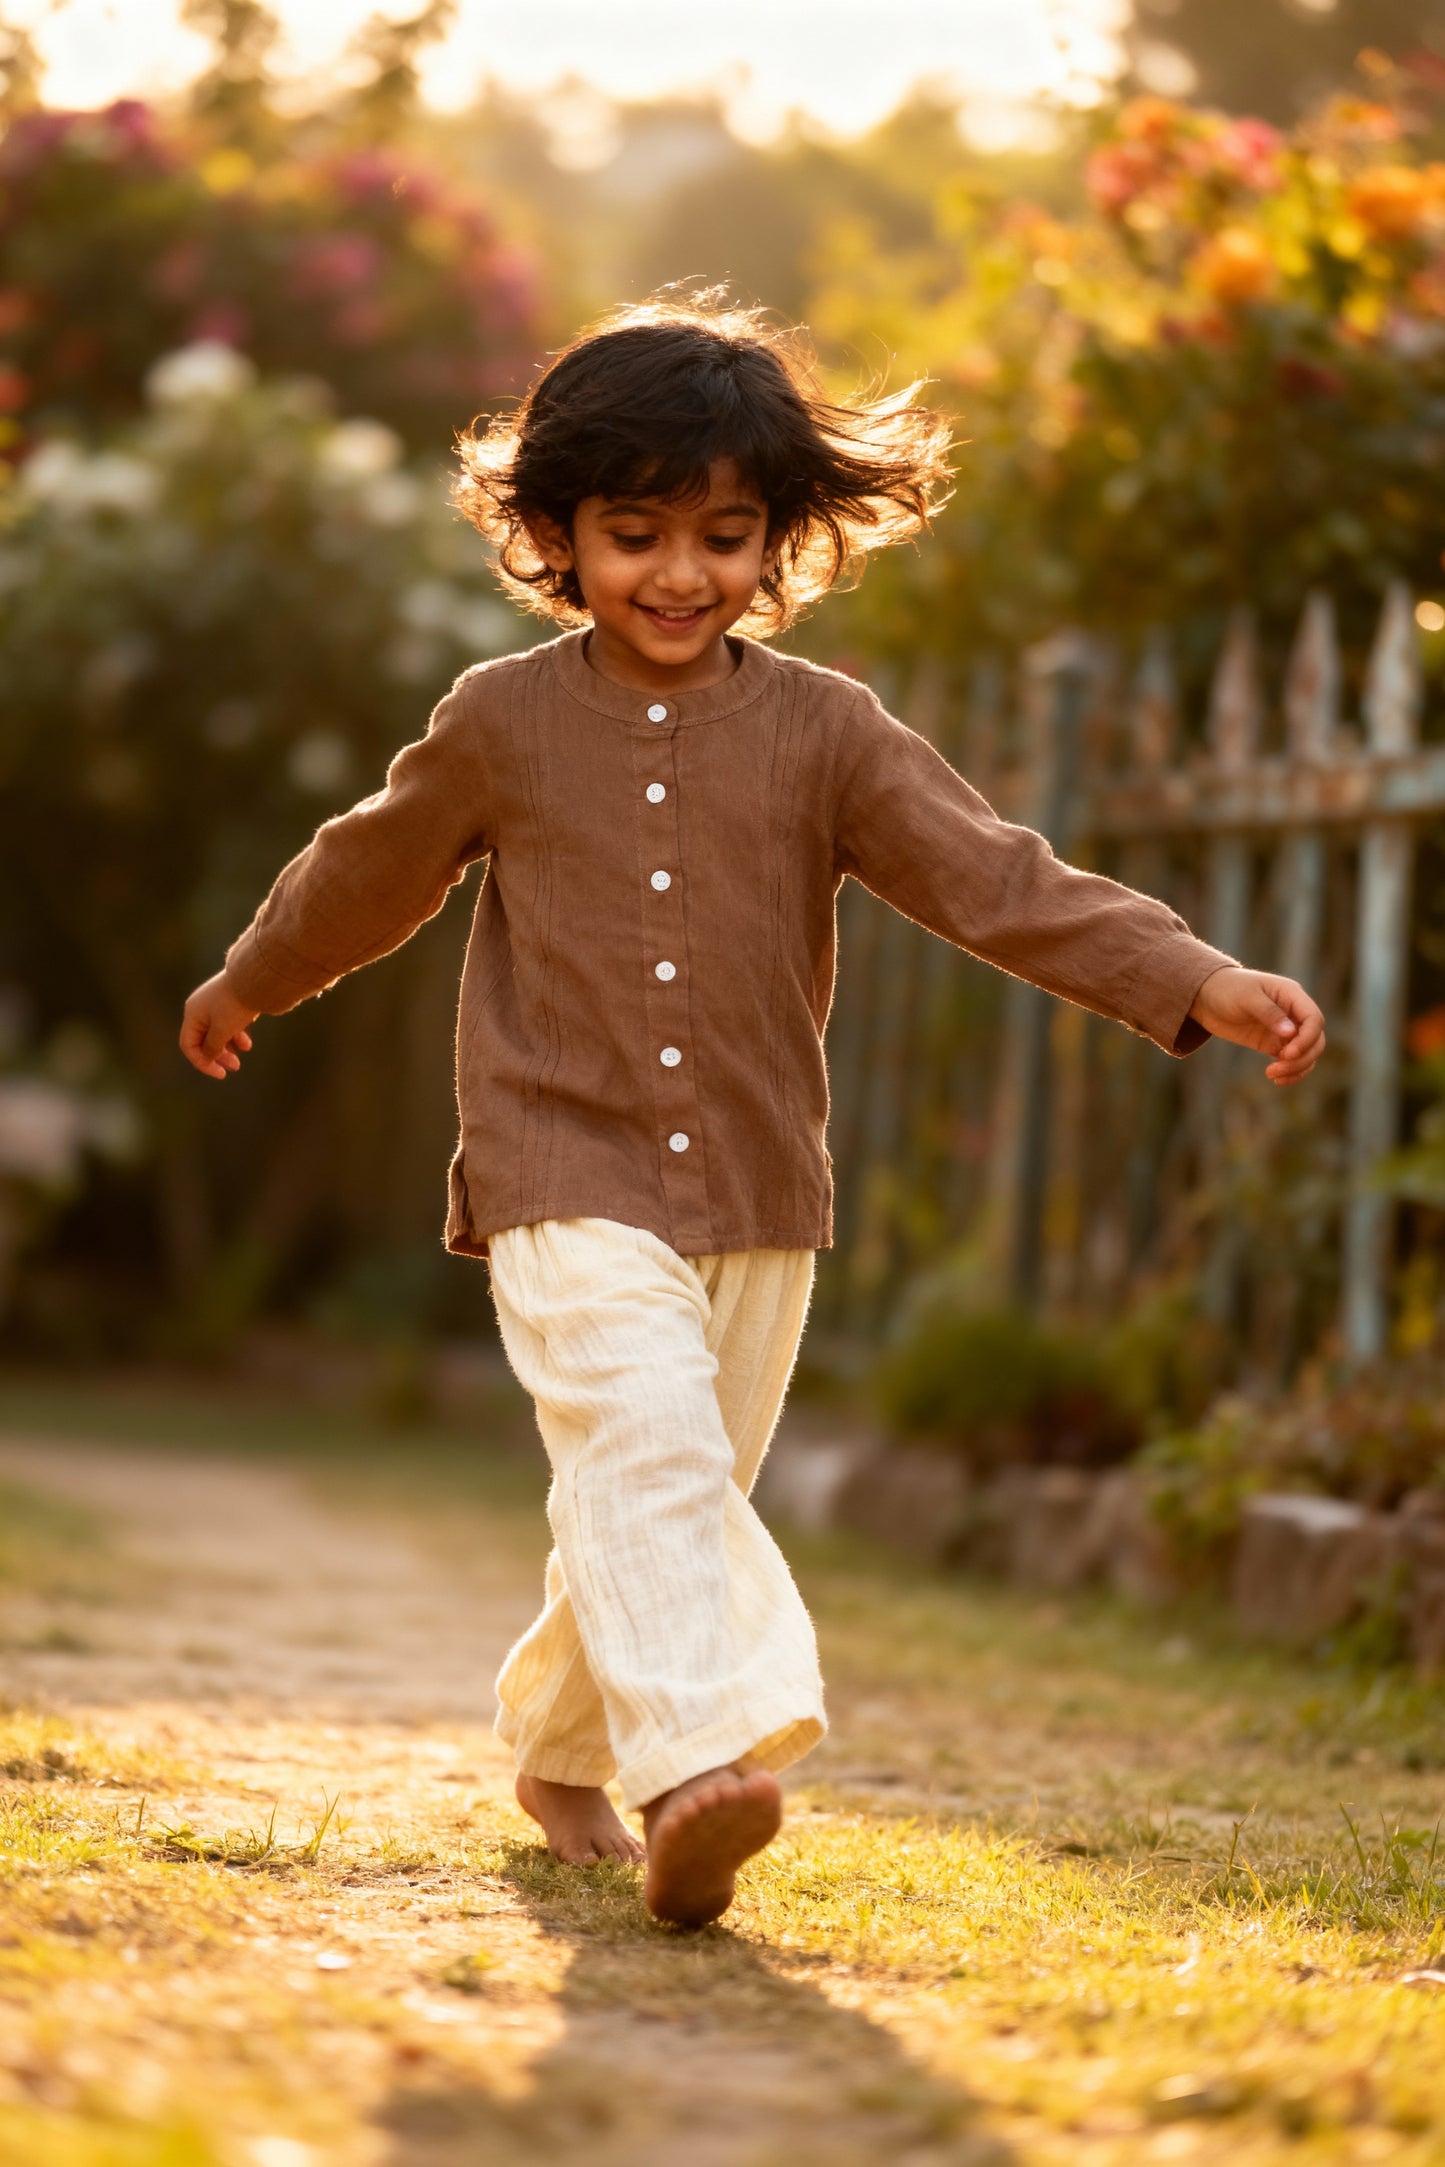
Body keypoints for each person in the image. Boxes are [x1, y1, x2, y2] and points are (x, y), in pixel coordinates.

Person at [179, 296, 1325, 1929]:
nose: (678, 573)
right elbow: (366, 865)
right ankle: (698, 1769)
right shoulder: (500, 720)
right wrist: (252, 977)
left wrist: (1186, 974)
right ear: (556, 534)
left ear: (779, 540)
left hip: (757, 1187)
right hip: (552, 1162)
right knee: (643, 1443)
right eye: (632, 532)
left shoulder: (827, 732)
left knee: (661, 1477)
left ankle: (559, 1753)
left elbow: (990, 876)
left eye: (723, 536)